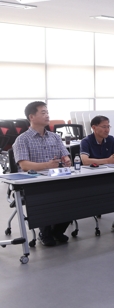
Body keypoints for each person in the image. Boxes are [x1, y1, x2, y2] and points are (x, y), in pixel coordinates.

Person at [13, 101, 72, 246]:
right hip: (34, 183)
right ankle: (44, 233)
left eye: (47, 112)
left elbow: (65, 155)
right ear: (31, 116)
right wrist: (46, 165)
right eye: (43, 112)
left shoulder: (55, 137)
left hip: (57, 178)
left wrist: (66, 160)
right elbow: (24, 165)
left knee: (74, 196)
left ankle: (57, 231)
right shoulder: (22, 139)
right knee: (44, 197)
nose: (47, 115)